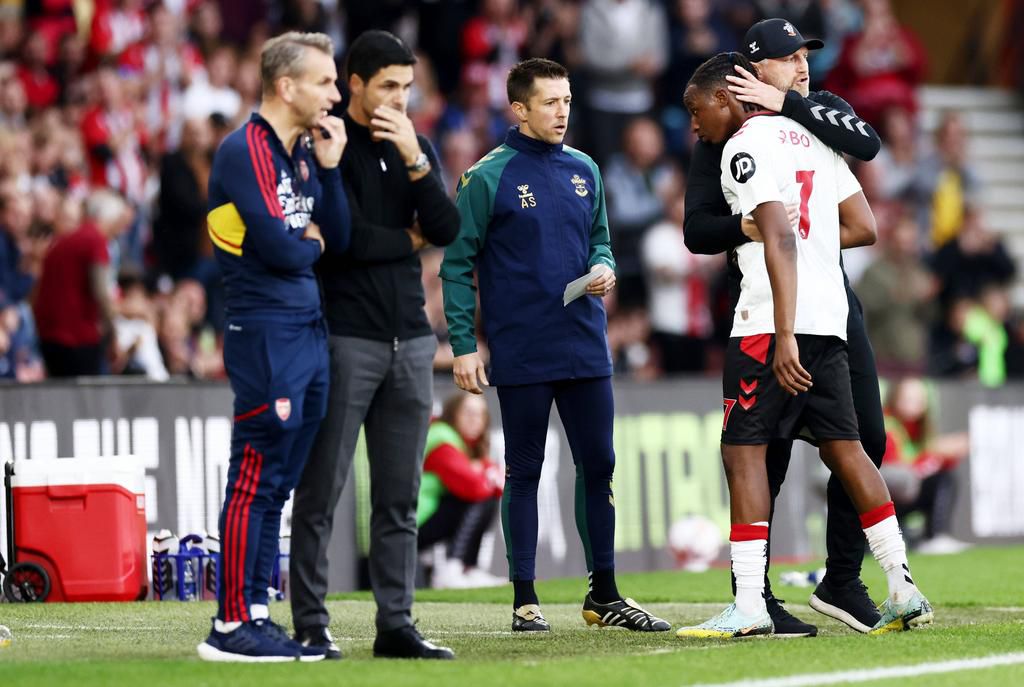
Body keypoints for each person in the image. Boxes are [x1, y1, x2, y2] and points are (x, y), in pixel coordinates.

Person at [676, 51, 932, 639]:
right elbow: (864, 226)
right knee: (849, 450)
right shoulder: (816, 137)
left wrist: (783, 331)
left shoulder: (744, 147)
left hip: (770, 322)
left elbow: (777, 242)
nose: (695, 124)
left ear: (727, 97)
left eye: (697, 109)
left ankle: (748, 605)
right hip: (832, 319)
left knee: (744, 453)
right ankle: (901, 585)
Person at [441, 57, 670, 634]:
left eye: (566, 99)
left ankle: (605, 595)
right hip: (522, 349)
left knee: (600, 465)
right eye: (549, 102)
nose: (562, 110)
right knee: (525, 470)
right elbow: (457, 264)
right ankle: (524, 598)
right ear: (519, 109)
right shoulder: (486, 176)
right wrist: (465, 344)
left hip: (586, 343)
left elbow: (602, 242)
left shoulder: (586, 169)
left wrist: (604, 267)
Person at [289, 30, 460, 661]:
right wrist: (405, 240)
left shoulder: (410, 143)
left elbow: (446, 228)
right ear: (353, 83)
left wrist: (417, 159)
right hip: (345, 338)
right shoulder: (326, 144)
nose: (399, 99)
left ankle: (396, 624)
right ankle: (311, 621)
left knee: (399, 498)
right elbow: (344, 241)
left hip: (411, 339)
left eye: (407, 87)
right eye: (388, 85)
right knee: (323, 490)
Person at [196, 31, 351, 663]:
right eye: (325, 81)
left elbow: (333, 237)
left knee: (279, 483)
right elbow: (289, 250)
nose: (335, 94)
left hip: (306, 331)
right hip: (265, 335)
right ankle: (231, 626)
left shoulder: (304, 153)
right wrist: (307, 241)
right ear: (286, 87)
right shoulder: (246, 150)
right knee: (255, 478)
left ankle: (258, 613)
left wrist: (333, 175)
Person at [33, 190, 132, 377]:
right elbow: (101, 292)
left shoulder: (65, 241)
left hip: (49, 334)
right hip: (78, 336)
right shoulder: (95, 240)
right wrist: (113, 336)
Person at [418, 392, 505, 589]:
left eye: (480, 414)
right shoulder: (442, 440)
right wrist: (486, 474)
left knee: (487, 496)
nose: (475, 420)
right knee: (482, 497)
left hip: (426, 518)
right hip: (413, 523)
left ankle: (467, 568)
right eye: (468, 413)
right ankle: (454, 568)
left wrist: (484, 473)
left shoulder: (463, 444)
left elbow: (497, 481)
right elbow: (475, 486)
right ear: (453, 414)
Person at [880, 378, 969, 555]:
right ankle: (934, 537)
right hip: (886, 502)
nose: (914, 405)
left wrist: (944, 455)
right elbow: (898, 477)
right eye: (908, 399)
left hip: (903, 497)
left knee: (944, 477)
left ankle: (935, 537)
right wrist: (936, 455)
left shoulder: (919, 428)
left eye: (919, 400)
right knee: (942, 479)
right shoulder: (887, 425)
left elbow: (929, 465)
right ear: (895, 398)